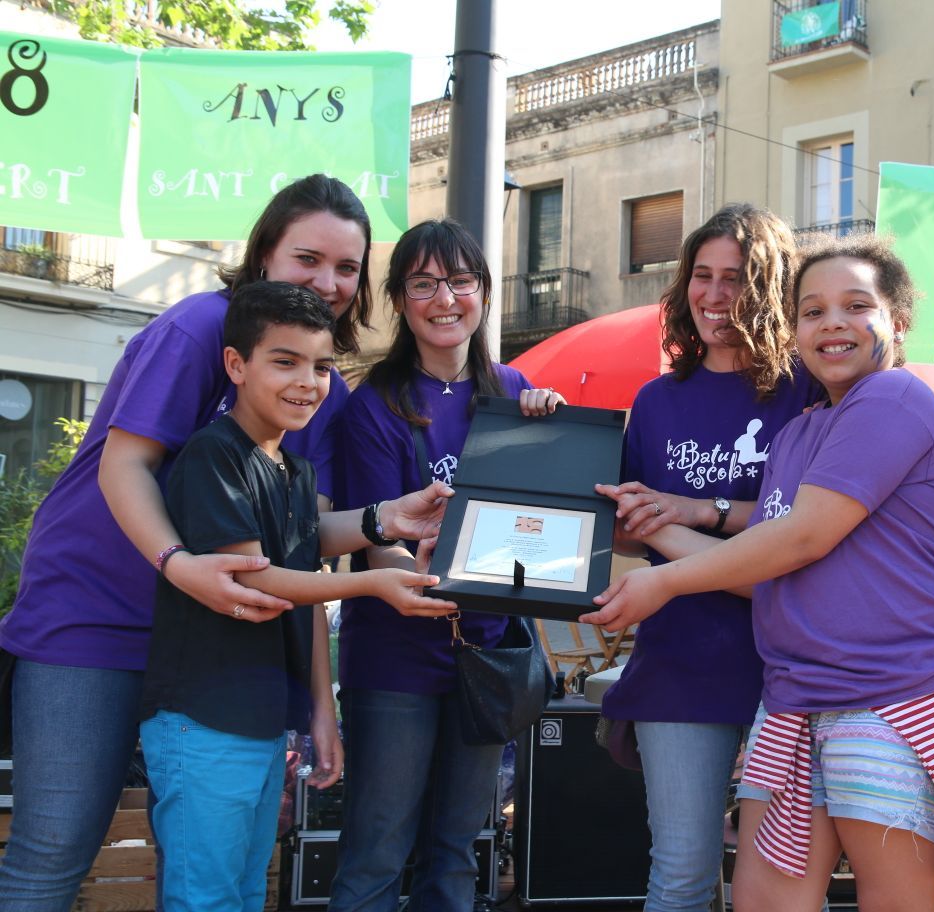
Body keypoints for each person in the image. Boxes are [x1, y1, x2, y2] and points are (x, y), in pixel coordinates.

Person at [587, 236, 934, 912]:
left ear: (897, 321)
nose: (832, 324)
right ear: (793, 330)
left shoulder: (894, 398)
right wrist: (654, 524)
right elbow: (767, 567)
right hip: (795, 702)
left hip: (896, 697)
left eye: (856, 306)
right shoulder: (796, 434)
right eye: (813, 311)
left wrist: (661, 580)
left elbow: (801, 537)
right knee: (761, 902)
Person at [0, 174, 375, 911]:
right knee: (56, 848)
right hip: (95, 621)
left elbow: (297, 547)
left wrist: (385, 526)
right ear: (264, 251)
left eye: (347, 268)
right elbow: (125, 463)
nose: (328, 282)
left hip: (214, 654)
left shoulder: (320, 380)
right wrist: (179, 566)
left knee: (216, 877)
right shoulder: (200, 327)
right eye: (308, 259)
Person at [139, 281, 453, 912]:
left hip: (261, 721)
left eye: (323, 366)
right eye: (286, 361)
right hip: (201, 720)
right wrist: (370, 581)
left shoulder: (295, 468)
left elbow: (304, 547)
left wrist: (389, 519)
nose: (308, 382)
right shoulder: (212, 455)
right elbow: (255, 576)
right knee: (206, 899)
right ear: (236, 364)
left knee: (248, 893)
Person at [328, 218, 563, 911]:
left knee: (457, 854)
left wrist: (552, 425)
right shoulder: (375, 404)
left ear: (484, 293)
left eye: (460, 281)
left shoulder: (514, 389)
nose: (445, 299)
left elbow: (543, 519)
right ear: (400, 300)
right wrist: (416, 573)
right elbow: (375, 539)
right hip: (395, 659)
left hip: (484, 659)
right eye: (423, 284)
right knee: (377, 850)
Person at [591, 203, 817, 912]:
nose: (717, 296)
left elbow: (815, 521)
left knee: (778, 883)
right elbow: (627, 528)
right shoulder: (657, 399)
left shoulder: (808, 391)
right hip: (679, 662)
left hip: (789, 662)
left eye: (740, 279)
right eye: (703, 276)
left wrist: (700, 511)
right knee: (682, 875)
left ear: (773, 288)